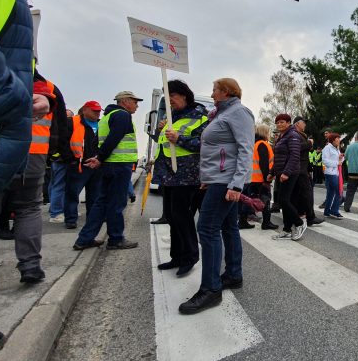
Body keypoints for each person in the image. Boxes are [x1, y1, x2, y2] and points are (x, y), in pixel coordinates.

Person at [0, 0, 57, 298]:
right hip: (0, 127)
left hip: (22, 139)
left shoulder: (17, 6)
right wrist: (16, 95)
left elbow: (27, 74)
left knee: (25, 207)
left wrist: (43, 98)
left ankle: (30, 268)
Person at [178, 78, 254, 314]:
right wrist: (207, 178)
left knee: (207, 229)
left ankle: (211, 289)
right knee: (228, 227)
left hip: (227, 182)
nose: (211, 95)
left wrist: (237, 185)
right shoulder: (221, 113)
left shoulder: (239, 112)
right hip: (219, 180)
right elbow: (216, 150)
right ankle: (233, 274)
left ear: (226, 92)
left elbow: (245, 148)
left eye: (214, 90)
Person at [73, 91, 142, 250]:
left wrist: (99, 158)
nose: (137, 105)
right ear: (125, 101)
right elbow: (114, 138)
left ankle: (84, 239)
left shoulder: (105, 117)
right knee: (116, 203)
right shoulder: (122, 116)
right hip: (119, 165)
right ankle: (116, 239)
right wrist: (100, 158)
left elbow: (98, 141)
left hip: (108, 166)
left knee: (101, 203)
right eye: (134, 102)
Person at [153, 80, 208, 276]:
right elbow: (165, 145)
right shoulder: (171, 117)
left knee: (182, 217)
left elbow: (205, 145)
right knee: (171, 216)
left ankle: (190, 256)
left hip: (187, 176)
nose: (169, 102)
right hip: (169, 175)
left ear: (184, 95)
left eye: (172, 97)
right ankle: (176, 256)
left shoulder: (200, 117)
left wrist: (180, 138)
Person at [63, 101, 103, 229]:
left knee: (95, 195)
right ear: (85, 110)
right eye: (94, 111)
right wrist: (71, 159)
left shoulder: (102, 124)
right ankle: (70, 220)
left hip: (96, 166)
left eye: (99, 111)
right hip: (78, 165)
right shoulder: (72, 122)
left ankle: (91, 219)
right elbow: (62, 142)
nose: (97, 113)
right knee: (72, 194)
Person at [268, 114, 307, 239]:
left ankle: (300, 223)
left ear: (289, 122)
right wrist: (272, 172)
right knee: (286, 201)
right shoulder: (281, 136)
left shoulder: (293, 135)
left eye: (282, 122)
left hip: (290, 173)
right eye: (277, 122)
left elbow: (294, 156)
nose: (279, 124)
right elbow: (278, 158)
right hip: (281, 173)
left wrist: (286, 172)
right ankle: (286, 229)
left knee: (283, 200)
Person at [291, 116, 323, 227]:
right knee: (307, 194)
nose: (305, 125)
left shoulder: (299, 135)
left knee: (298, 195)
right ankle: (310, 218)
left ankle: (299, 215)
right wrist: (309, 143)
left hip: (302, 169)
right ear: (297, 124)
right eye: (303, 123)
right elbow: (297, 148)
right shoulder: (295, 134)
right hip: (300, 170)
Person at [250, 124, 278, 230]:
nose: (269, 133)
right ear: (265, 132)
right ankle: (266, 222)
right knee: (265, 200)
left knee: (251, 199)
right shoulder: (263, 144)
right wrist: (267, 178)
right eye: (268, 131)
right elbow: (264, 164)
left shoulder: (255, 144)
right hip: (261, 178)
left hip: (253, 178)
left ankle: (243, 220)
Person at [322, 133, 344, 219]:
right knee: (339, 192)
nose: (339, 140)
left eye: (339, 138)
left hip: (336, 173)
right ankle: (334, 211)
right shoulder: (327, 148)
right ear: (333, 140)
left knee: (330, 193)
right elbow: (324, 161)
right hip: (330, 173)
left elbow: (339, 161)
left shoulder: (337, 149)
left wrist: (341, 158)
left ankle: (327, 212)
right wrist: (336, 163)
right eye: (337, 139)